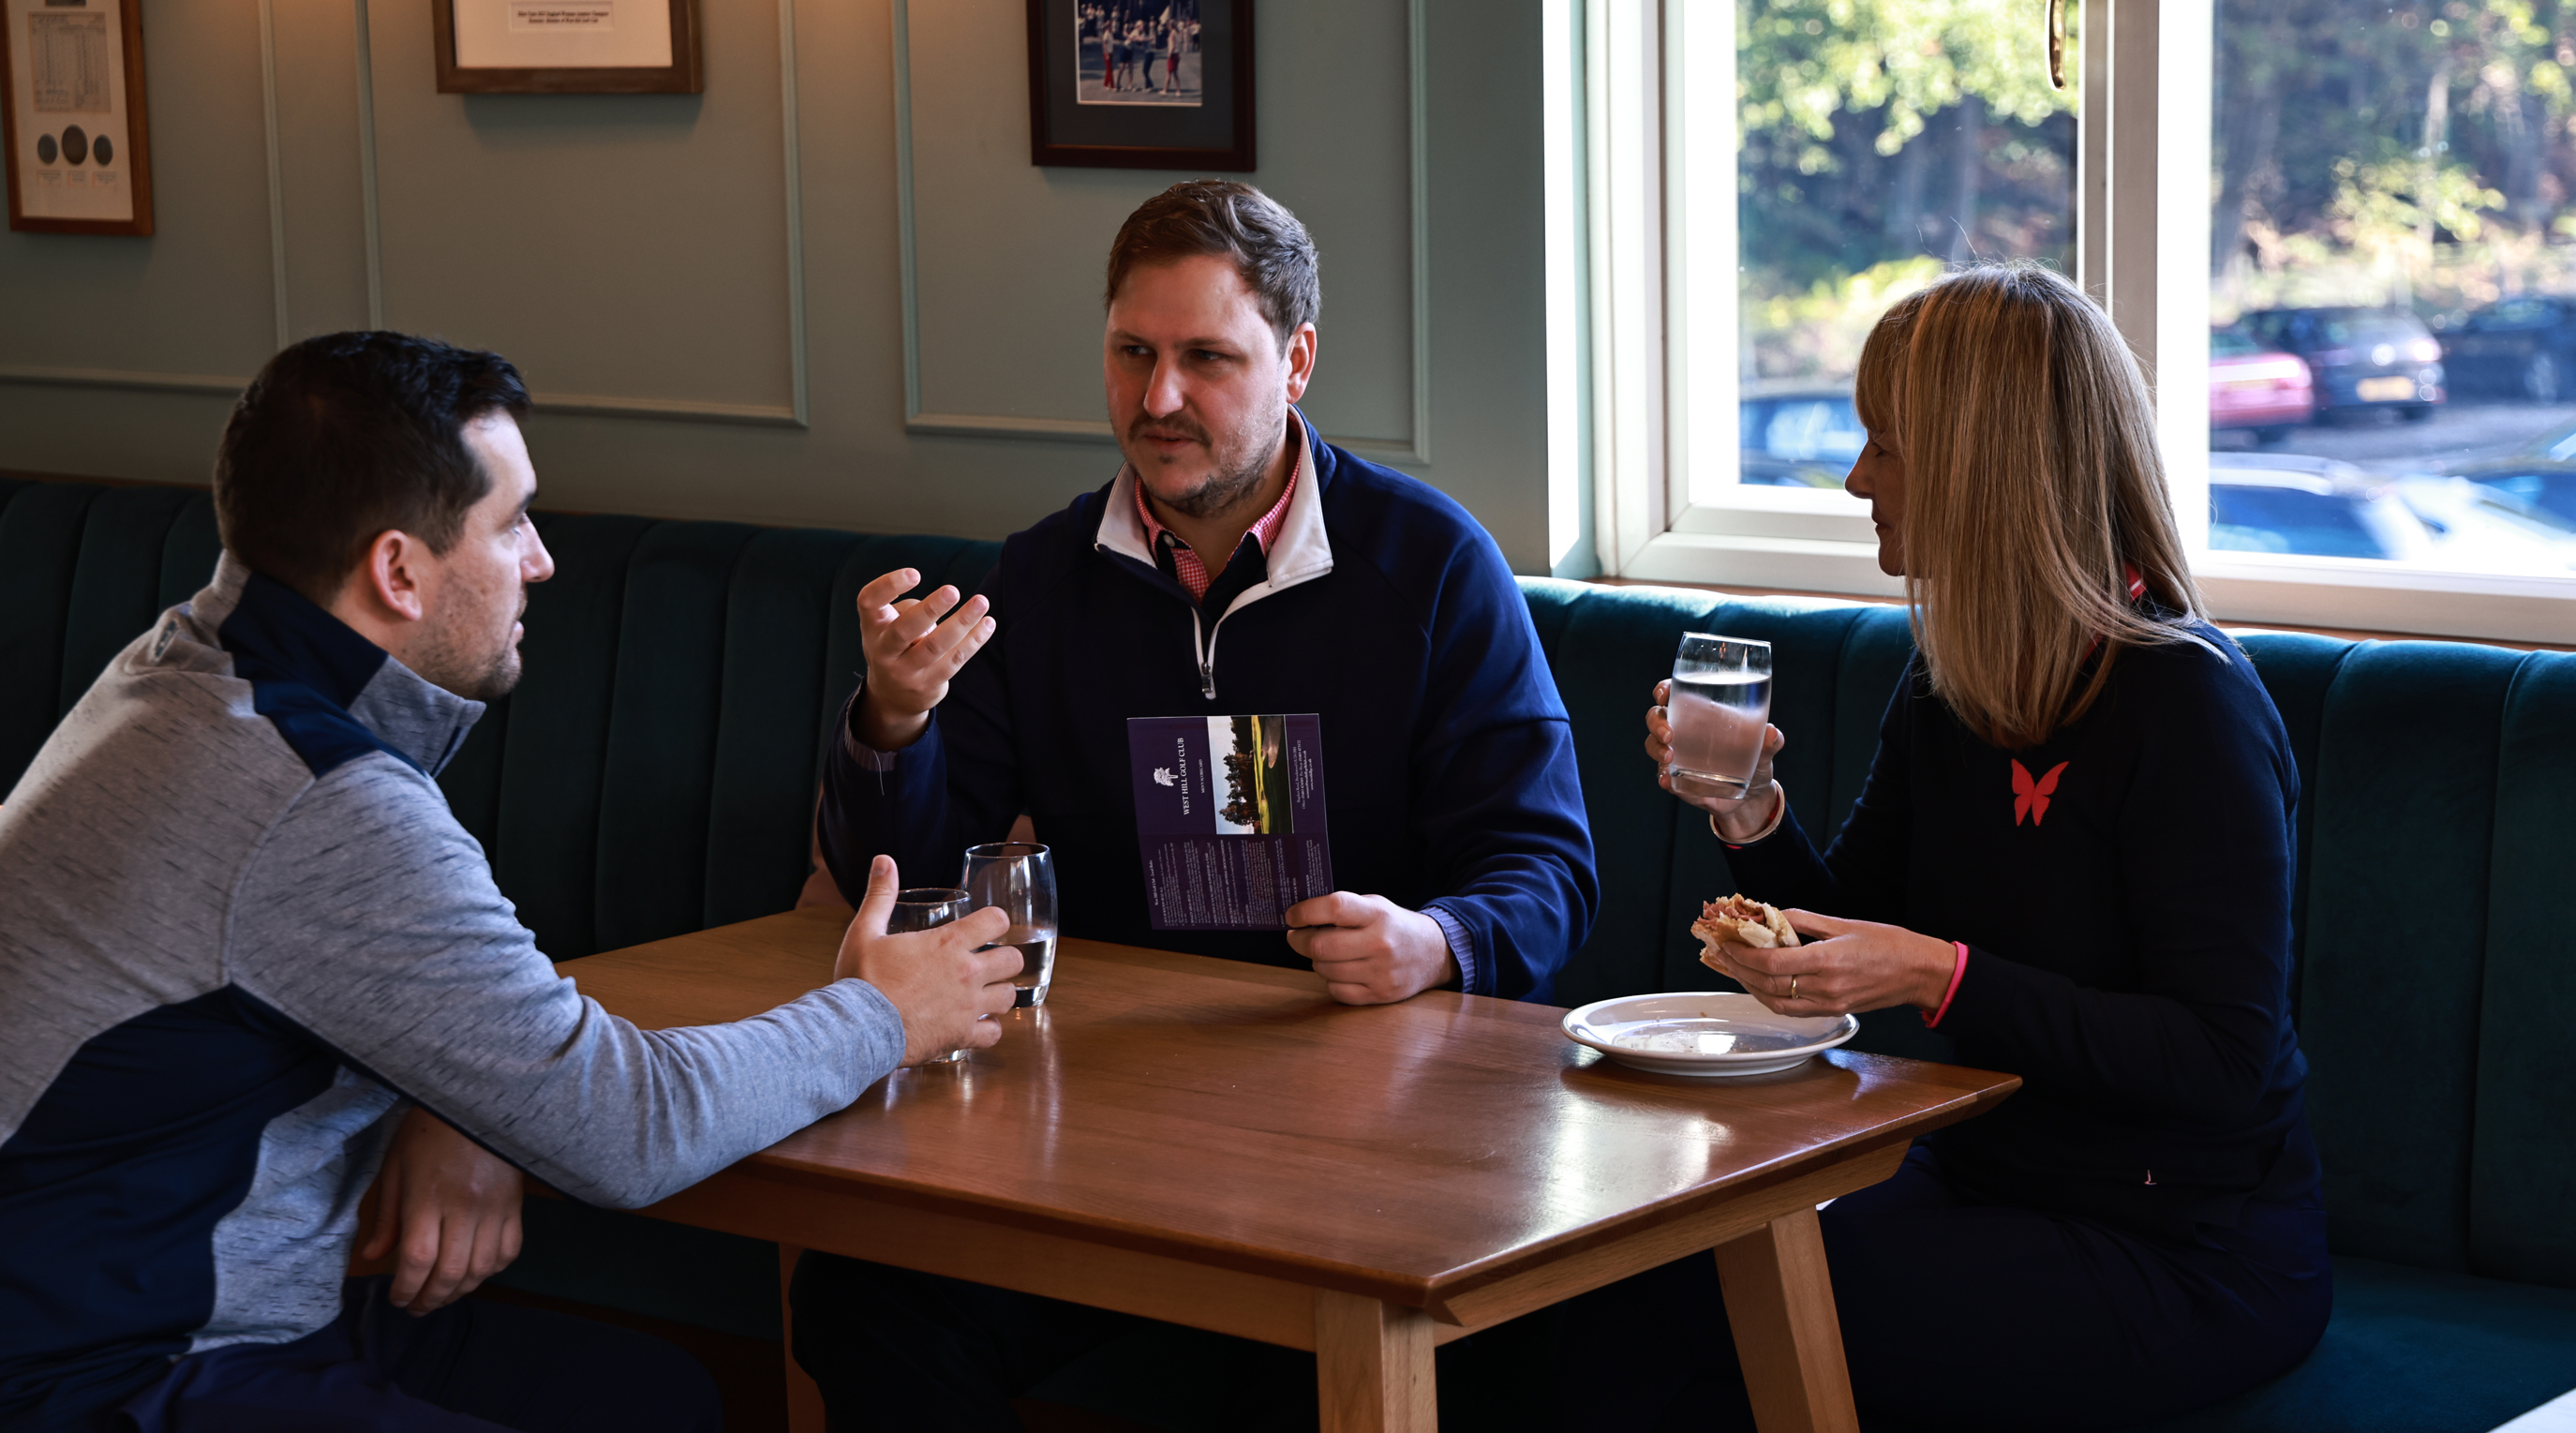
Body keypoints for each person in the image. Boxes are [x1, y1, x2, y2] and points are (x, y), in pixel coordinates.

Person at [0, 332, 1020, 1433]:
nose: (545, 561)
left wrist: (456, 1101)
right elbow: (626, 1128)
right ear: (399, 569)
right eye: (512, 524)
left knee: (650, 1397)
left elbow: (374, 979)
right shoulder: (315, 793)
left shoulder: (185, 668)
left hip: (191, 1319)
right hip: (84, 1384)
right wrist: (884, 1014)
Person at [793, 181, 1597, 1427]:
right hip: (1106, 1131)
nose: (1157, 400)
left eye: (1207, 360)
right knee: (864, 1301)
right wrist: (893, 722)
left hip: (1374, 1137)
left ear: (1298, 361)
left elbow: (1548, 873)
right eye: (1132, 354)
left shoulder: (1432, 568)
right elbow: (902, 886)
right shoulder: (1044, 577)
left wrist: (1436, 942)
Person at [1580, 263, 2330, 1431]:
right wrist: (1749, 809)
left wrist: (1944, 974)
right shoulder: (1950, 684)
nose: (1856, 476)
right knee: (1647, 1288)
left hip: (2186, 1242)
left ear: (1987, 467)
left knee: (1723, 1324)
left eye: (1887, 443)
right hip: (1980, 1182)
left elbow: (2224, 1055)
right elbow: (1845, 928)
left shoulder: (2188, 706)